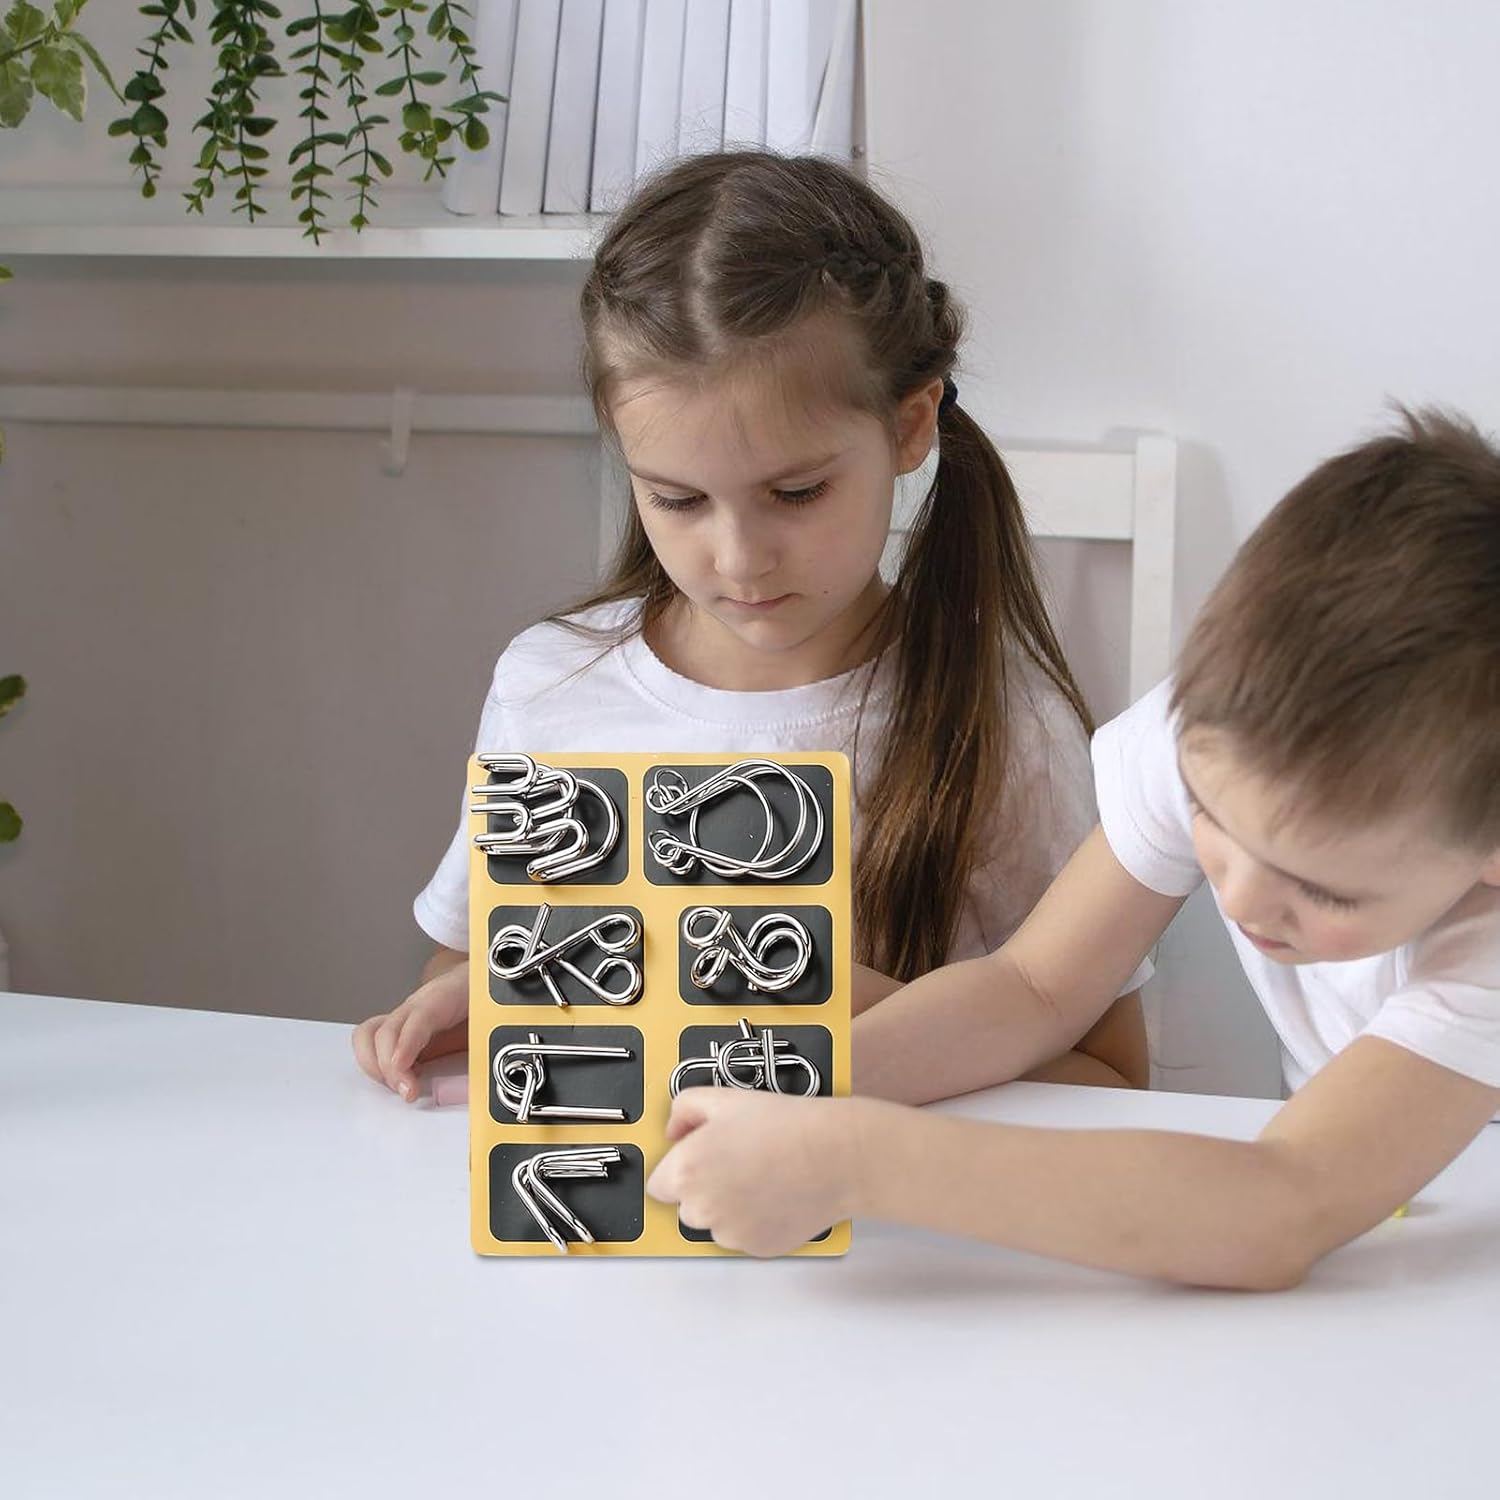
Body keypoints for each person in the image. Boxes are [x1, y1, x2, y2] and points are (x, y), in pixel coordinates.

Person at [352, 151, 1147, 1100]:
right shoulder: (550, 687)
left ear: (909, 427)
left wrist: (831, 999)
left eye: (796, 493)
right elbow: (467, 979)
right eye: (678, 499)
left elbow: (1110, 1087)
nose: (738, 559)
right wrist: (456, 1008)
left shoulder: (1005, 728)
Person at [647, 409, 1500, 1289]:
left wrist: (863, 1159)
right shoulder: (1226, 736)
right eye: (1211, 818)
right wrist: (799, 1085)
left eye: (1323, 890)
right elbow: (1034, 988)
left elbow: (1281, 1208)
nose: (1242, 899)